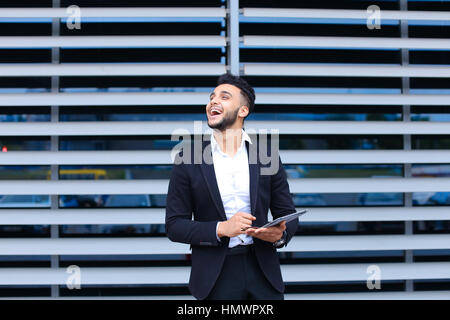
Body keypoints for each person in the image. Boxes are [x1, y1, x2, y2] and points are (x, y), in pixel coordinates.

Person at [165, 73, 298, 300]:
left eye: (224, 97)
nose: (213, 102)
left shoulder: (267, 156)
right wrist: (221, 228)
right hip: (215, 276)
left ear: (243, 111)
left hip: (264, 274)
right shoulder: (188, 158)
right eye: (211, 97)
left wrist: (277, 236)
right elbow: (174, 225)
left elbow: (289, 215)